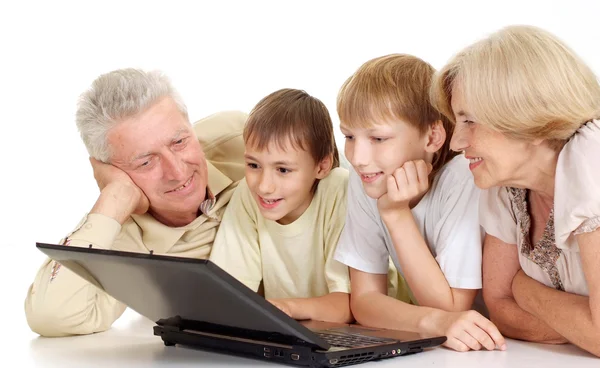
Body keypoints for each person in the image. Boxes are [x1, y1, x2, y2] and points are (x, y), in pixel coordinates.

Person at [24, 68, 247, 337]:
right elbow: (51, 316)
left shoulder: (242, 139)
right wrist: (114, 198)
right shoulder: (124, 242)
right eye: (145, 162)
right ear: (111, 170)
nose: (177, 171)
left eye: (179, 141)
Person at [430, 25, 600, 357]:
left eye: (469, 121)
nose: (456, 142)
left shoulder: (592, 156)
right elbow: (500, 309)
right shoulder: (504, 180)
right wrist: (583, 325)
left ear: (528, 117)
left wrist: (524, 289)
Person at [334, 54, 505, 352]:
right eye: (349, 135)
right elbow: (363, 302)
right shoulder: (368, 178)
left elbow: (452, 307)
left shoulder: (464, 176)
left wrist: (396, 214)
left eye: (378, 138)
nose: (357, 157)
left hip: (494, 347)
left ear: (432, 136)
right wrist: (432, 323)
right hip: (447, 347)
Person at [209, 88, 409, 323]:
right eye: (254, 165)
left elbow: (349, 307)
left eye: (283, 170)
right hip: (300, 328)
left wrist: (281, 309)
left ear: (321, 167)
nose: (264, 186)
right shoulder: (247, 193)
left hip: (377, 326)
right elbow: (230, 292)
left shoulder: (340, 190)